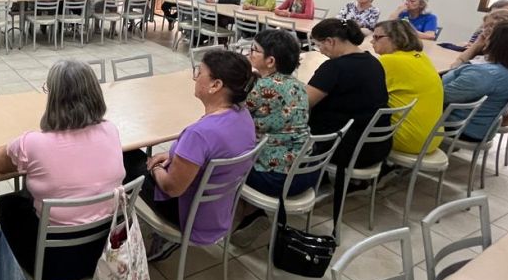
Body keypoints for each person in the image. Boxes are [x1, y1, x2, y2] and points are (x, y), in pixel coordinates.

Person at [0, 60, 125, 280]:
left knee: (8, 204)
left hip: (54, 265)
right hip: (105, 252)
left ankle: (13, 277)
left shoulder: (33, 143)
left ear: (54, 99)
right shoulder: (111, 130)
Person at [123, 49, 259, 262]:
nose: (195, 77)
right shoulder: (243, 116)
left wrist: (155, 166)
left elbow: (171, 188)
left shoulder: (199, 134)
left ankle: (127, 237)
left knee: (124, 156)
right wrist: (174, 155)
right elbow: (206, 153)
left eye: (200, 72)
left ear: (216, 85)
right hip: (218, 209)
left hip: (188, 213)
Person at [307, 19, 391, 222]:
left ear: (330, 41)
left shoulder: (334, 68)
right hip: (376, 146)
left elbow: (303, 103)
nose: (320, 51)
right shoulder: (373, 62)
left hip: (346, 149)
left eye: (319, 45)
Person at [235, 30, 311, 233]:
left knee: (222, 164)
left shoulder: (264, 87)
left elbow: (234, 116)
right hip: (306, 171)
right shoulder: (298, 85)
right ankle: (252, 212)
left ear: (270, 61)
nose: (249, 53)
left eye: (254, 50)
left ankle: (244, 215)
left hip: (278, 177)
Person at [441, 23, 508, 142]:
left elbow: (442, 96)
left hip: (460, 128)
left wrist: (475, 48)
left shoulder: (485, 74)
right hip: (480, 128)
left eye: (490, 37)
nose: (486, 39)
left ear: (498, 43)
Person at [370, 20, 444, 155]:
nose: (372, 41)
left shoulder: (389, 61)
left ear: (395, 38)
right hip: (433, 138)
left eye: (377, 37)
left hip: (407, 139)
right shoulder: (422, 57)